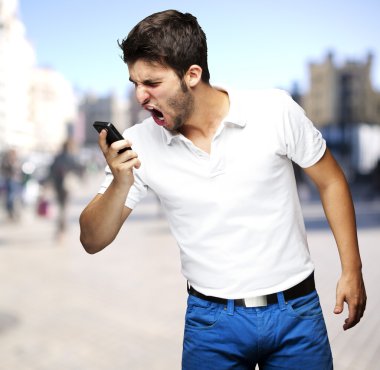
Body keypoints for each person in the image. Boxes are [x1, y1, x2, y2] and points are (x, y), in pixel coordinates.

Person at [79, 10, 366, 369]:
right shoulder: (139, 144)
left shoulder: (274, 111)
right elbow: (91, 240)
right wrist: (120, 183)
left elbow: (331, 180)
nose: (140, 96)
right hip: (211, 324)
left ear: (192, 74)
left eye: (151, 83)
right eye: (135, 83)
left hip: (297, 313)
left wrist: (351, 269)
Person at [50, 140, 83, 238]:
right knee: (64, 207)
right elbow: (79, 168)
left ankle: (61, 227)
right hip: (66, 186)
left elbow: (51, 170)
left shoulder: (57, 157)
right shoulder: (71, 157)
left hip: (58, 185)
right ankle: (62, 227)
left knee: (61, 206)